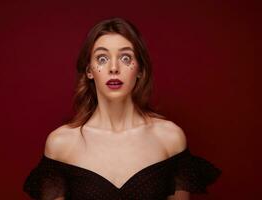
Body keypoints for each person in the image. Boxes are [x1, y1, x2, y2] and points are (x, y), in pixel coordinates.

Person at [23, 17, 221, 200]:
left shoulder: (169, 138)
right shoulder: (61, 144)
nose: (114, 67)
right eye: (102, 58)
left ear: (140, 70)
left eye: (126, 58)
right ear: (89, 70)